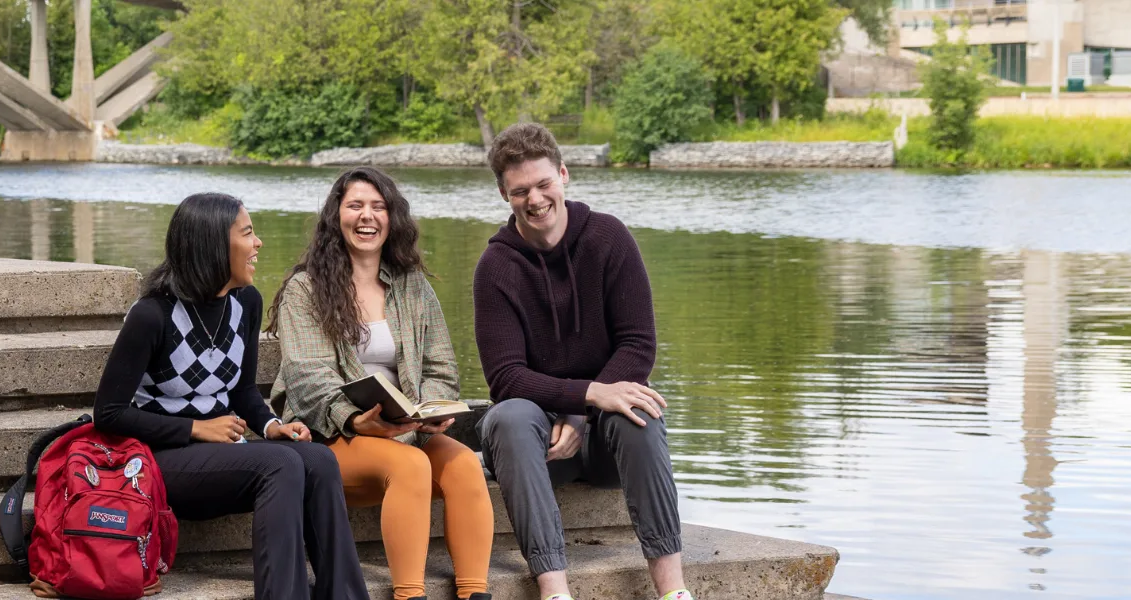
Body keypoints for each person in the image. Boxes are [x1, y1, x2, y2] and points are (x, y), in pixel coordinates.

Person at [93, 193, 369, 600]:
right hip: (158, 460)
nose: (258, 243)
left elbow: (241, 388)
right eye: (248, 233)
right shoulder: (152, 315)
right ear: (213, 246)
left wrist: (272, 425)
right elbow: (109, 414)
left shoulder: (246, 303)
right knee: (279, 466)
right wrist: (197, 428)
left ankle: (344, 595)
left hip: (221, 456)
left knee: (318, 459)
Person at [472, 123, 691, 600]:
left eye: (544, 183)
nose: (535, 199)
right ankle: (555, 591)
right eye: (520, 191)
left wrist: (580, 412)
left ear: (564, 174)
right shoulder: (496, 268)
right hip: (536, 447)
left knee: (640, 411)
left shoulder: (609, 238)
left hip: (605, 446)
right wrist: (586, 396)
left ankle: (673, 592)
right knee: (509, 416)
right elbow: (506, 377)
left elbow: (637, 345)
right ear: (504, 194)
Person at [270, 167, 492, 600]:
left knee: (465, 464)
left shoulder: (412, 285)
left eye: (378, 206)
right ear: (336, 216)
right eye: (355, 206)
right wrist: (355, 419)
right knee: (407, 465)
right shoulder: (305, 289)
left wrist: (428, 410)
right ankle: (409, 595)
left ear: (393, 218)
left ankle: (475, 594)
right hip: (333, 437)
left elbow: (441, 366)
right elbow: (308, 377)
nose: (366, 216)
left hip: (407, 429)